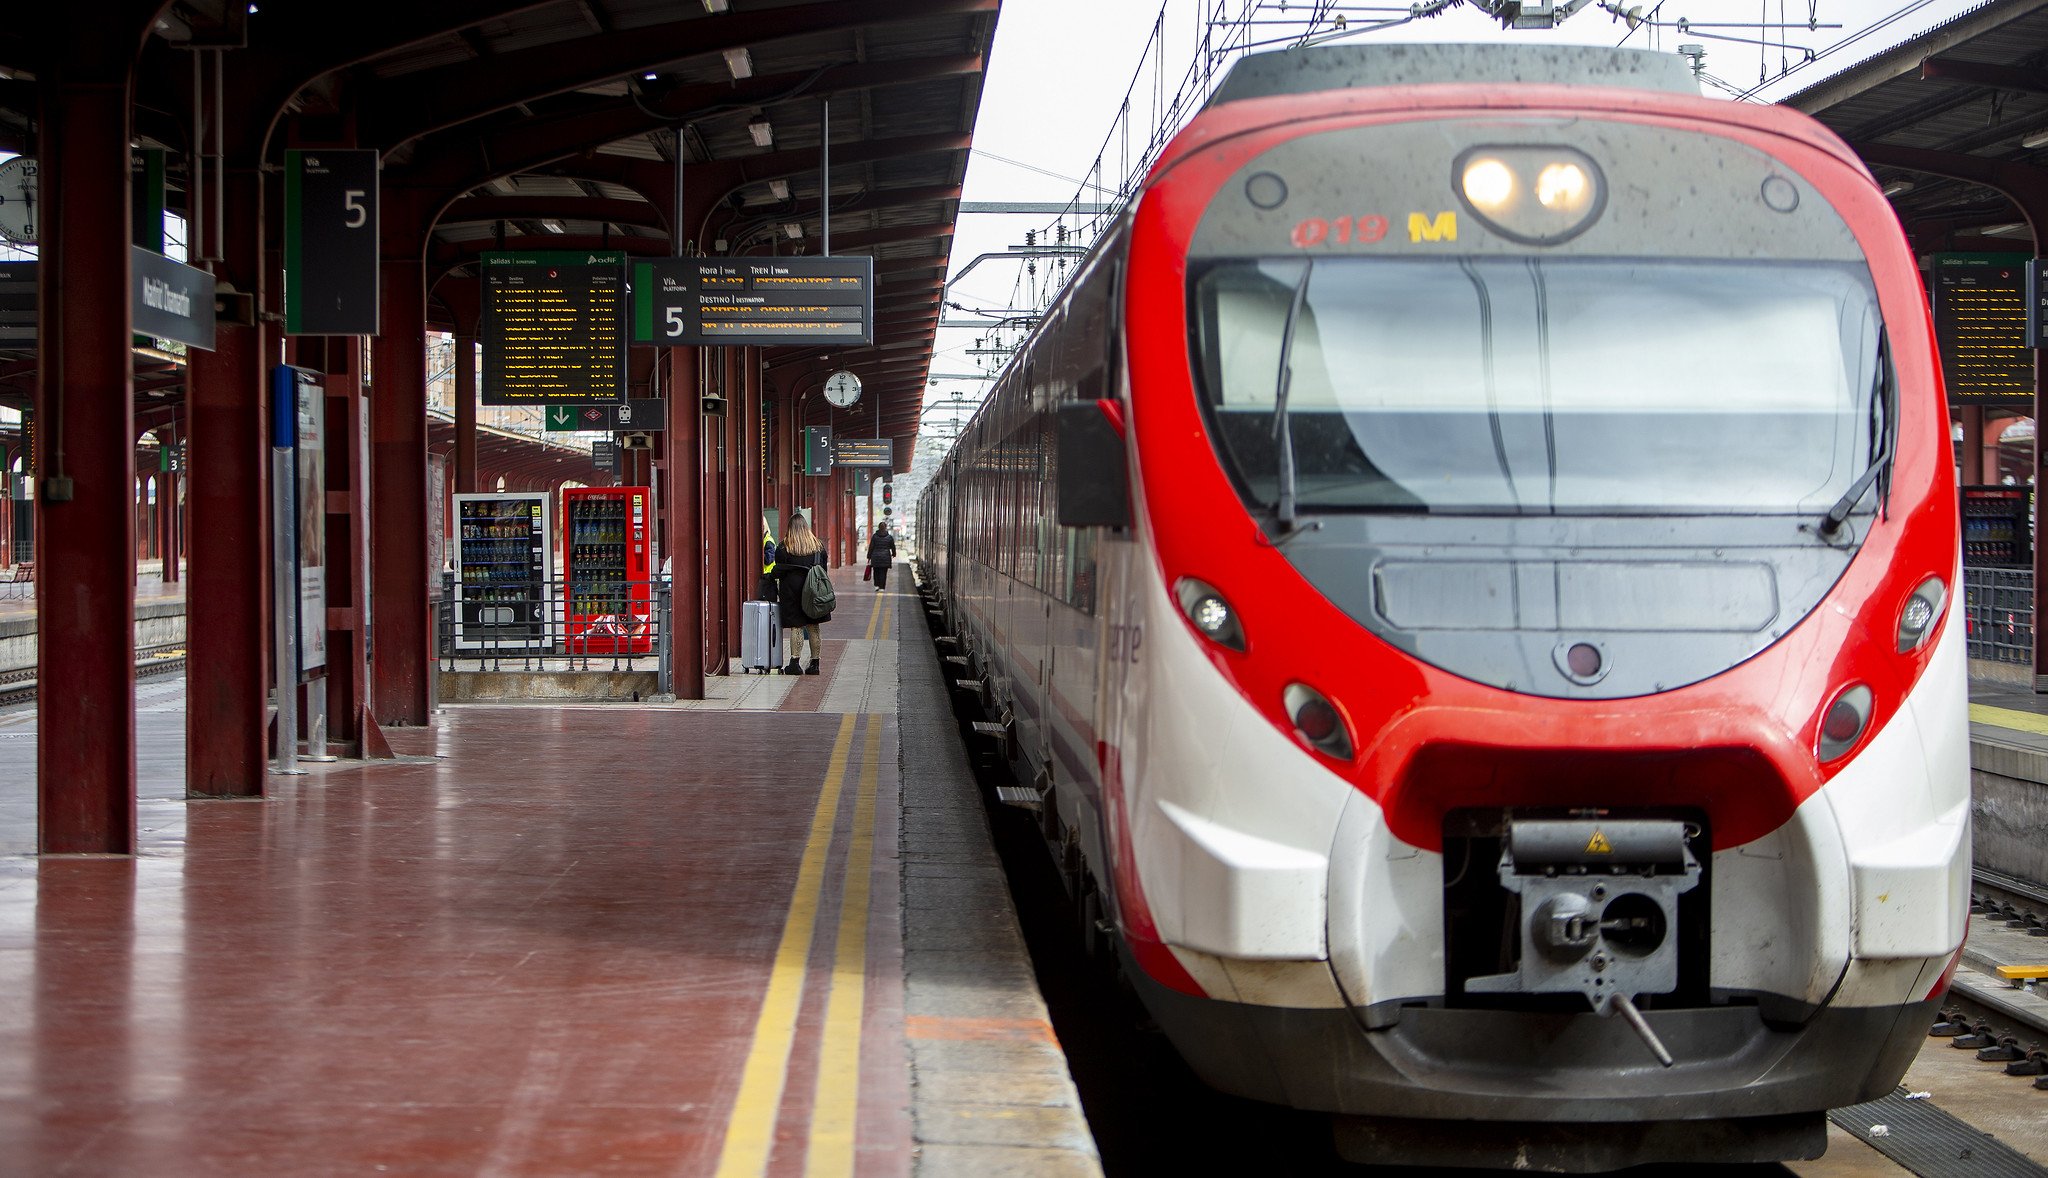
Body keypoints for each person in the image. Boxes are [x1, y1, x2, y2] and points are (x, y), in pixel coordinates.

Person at [772, 512, 829, 675]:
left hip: (792, 593)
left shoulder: (784, 547)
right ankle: (815, 664)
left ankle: (794, 663)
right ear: (806, 527)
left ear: (790, 528)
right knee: (814, 627)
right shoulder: (818, 546)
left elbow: (779, 571)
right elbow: (823, 570)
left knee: (796, 627)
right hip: (813, 591)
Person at [866, 523, 897, 591]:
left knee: (876, 572)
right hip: (885, 557)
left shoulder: (874, 536)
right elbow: (893, 547)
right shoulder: (889, 537)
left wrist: (869, 556)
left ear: (878, 527)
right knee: (883, 573)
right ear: (885, 527)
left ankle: (876, 585)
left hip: (875, 556)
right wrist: (894, 554)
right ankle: (882, 587)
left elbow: (871, 547)